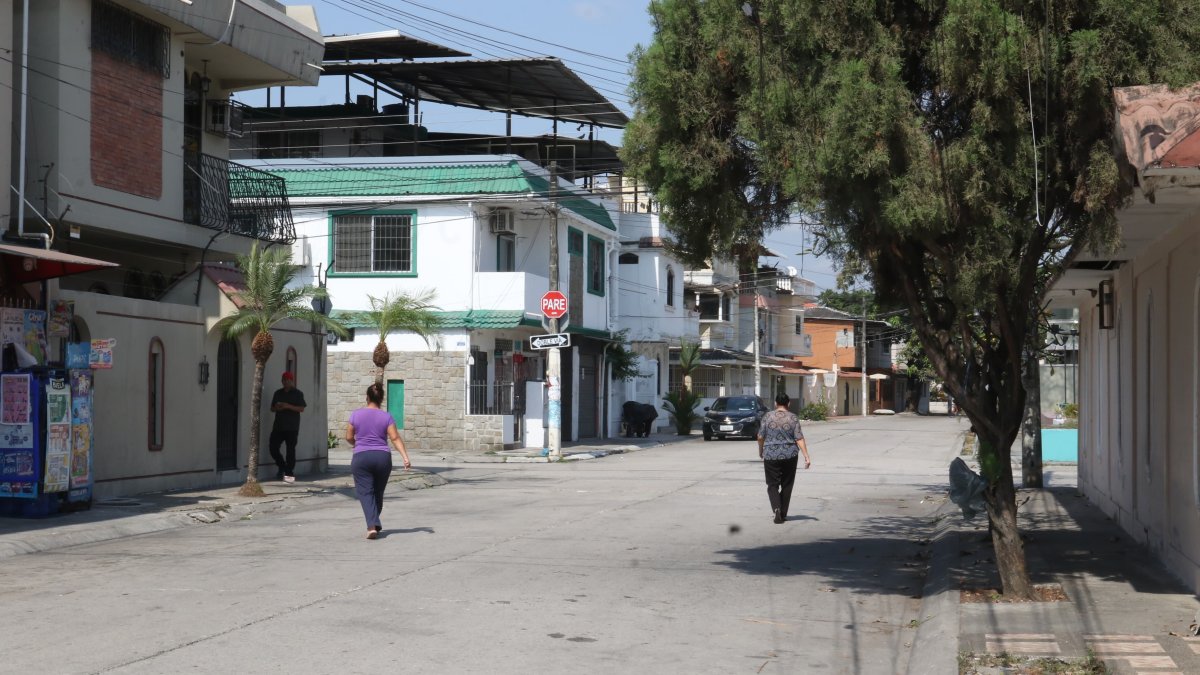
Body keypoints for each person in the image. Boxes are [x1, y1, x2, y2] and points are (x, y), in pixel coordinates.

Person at [345, 383, 411, 540]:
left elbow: (348, 436)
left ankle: (372, 526)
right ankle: (375, 521)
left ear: (367, 397)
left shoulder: (355, 415)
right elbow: (394, 438)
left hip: (362, 457)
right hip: (382, 458)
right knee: (377, 492)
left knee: (366, 492)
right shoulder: (386, 417)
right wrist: (405, 457)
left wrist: (357, 445)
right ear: (382, 399)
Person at [756, 392, 812, 524]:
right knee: (787, 484)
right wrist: (806, 456)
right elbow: (799, 438)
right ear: (789, 404)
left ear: (775, 404)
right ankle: (783, 512)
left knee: (772, 484)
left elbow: (760, 436)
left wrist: (761, 450)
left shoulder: (767, 416)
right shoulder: (793, 418)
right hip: (790, 454)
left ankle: (776, 508)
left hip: (771, 454)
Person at [269, 371, 306, 483]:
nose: (285, 382)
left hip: (292, 427)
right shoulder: (278, 393)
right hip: (278, 426)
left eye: (287, 380)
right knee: (273, 448)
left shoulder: (298, 393)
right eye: (283, 380)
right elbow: (272, 408)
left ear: (291, 381)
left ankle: (289, 474)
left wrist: (288, 406)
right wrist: (277, 408)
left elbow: (301, 408)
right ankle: (282, 466)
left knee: (290, 451)